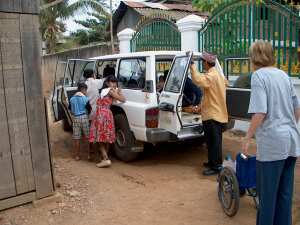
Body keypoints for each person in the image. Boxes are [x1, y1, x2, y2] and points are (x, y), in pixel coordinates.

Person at [242, 41, 300, 225]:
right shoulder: (283, 75)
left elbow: (260, 112)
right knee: (284, 195)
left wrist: (247, 137)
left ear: (254, 57)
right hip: (291, 141)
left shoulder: (258, 76)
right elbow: (297, 109)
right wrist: (287, 125)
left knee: (267, 198)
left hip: (273, 145)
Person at [190, 52, 228, 176]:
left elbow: (197, 79)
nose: (202, 64)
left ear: (206, 63)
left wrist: (192, 65)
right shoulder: (218, 75)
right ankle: (212, 162)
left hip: (213, 115)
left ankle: (216, 166)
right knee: (212, 141)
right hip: (216, 113)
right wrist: (200, 107)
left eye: (202, 62)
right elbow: (210, 95)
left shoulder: (211, 76)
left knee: (214, 142)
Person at [89, 75, 126, 168]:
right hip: (106, 114)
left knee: (100, 137)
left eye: (115, 82)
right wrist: (120, 92)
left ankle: (105, 158)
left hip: (100, 114)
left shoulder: (104, 91)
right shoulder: (110, 91)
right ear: (107, 83)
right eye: (112, 82)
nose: (114, 84)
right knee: (105, 137)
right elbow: (123, 99)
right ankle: (105, 158)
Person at [69, 83, 92, 161]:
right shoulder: (85, 99)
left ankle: (77, 156)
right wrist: (86, 115)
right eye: (86, 90)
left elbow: (71, 110)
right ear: (83, 89)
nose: (86, 92)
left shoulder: (72, 99)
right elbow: (89, 109)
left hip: (75, 118)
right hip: (84, 117)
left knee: (77, 138)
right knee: (87, 137)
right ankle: (88, 155)